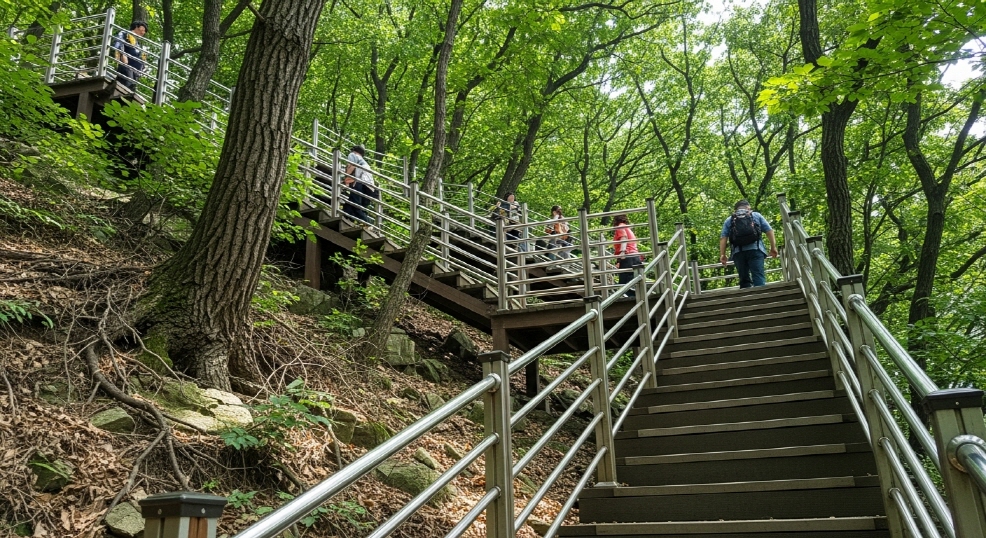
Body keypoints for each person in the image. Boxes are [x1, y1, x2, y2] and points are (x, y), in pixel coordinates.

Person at [719, 199, 779, 288]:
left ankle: (747, 300)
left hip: (738, 252)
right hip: (756, 250)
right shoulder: (756, 215)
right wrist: (773, 248)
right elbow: (769, 230)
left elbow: (723, 238)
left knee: (744, 279)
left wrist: (723, 254)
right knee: (758, 276)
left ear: (735, 209)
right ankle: (762, 299)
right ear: (748, 207)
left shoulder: (730, 219)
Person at [345, 145, 377, 225]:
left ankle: (368, 223)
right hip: (370, 187)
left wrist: (344, 176)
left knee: (356, 206)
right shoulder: (364, 162)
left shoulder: (353, 155)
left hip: (360, 183)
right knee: (350, 205)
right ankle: (346, 219)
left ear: (354, 151)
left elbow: (352, 166)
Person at [113, 21, 148, 91]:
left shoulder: (137, 43)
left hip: (135, 71)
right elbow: (119, 42)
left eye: (144, 31)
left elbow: (139, 55)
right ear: (136, 27)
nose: (143, 32)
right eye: (142, 29)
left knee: (131, 87)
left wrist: (143, 65)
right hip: (126, 66)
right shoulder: (125, 33)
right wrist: (122, 53)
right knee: (126, 84)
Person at [613, 214, 641, 296]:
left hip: (628, 256)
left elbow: (623, 238)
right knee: (633, 280)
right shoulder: (628, 228)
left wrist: (622, 251)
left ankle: (630, 301)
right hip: (635, 256)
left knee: (625, 281)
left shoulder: (620, 227)